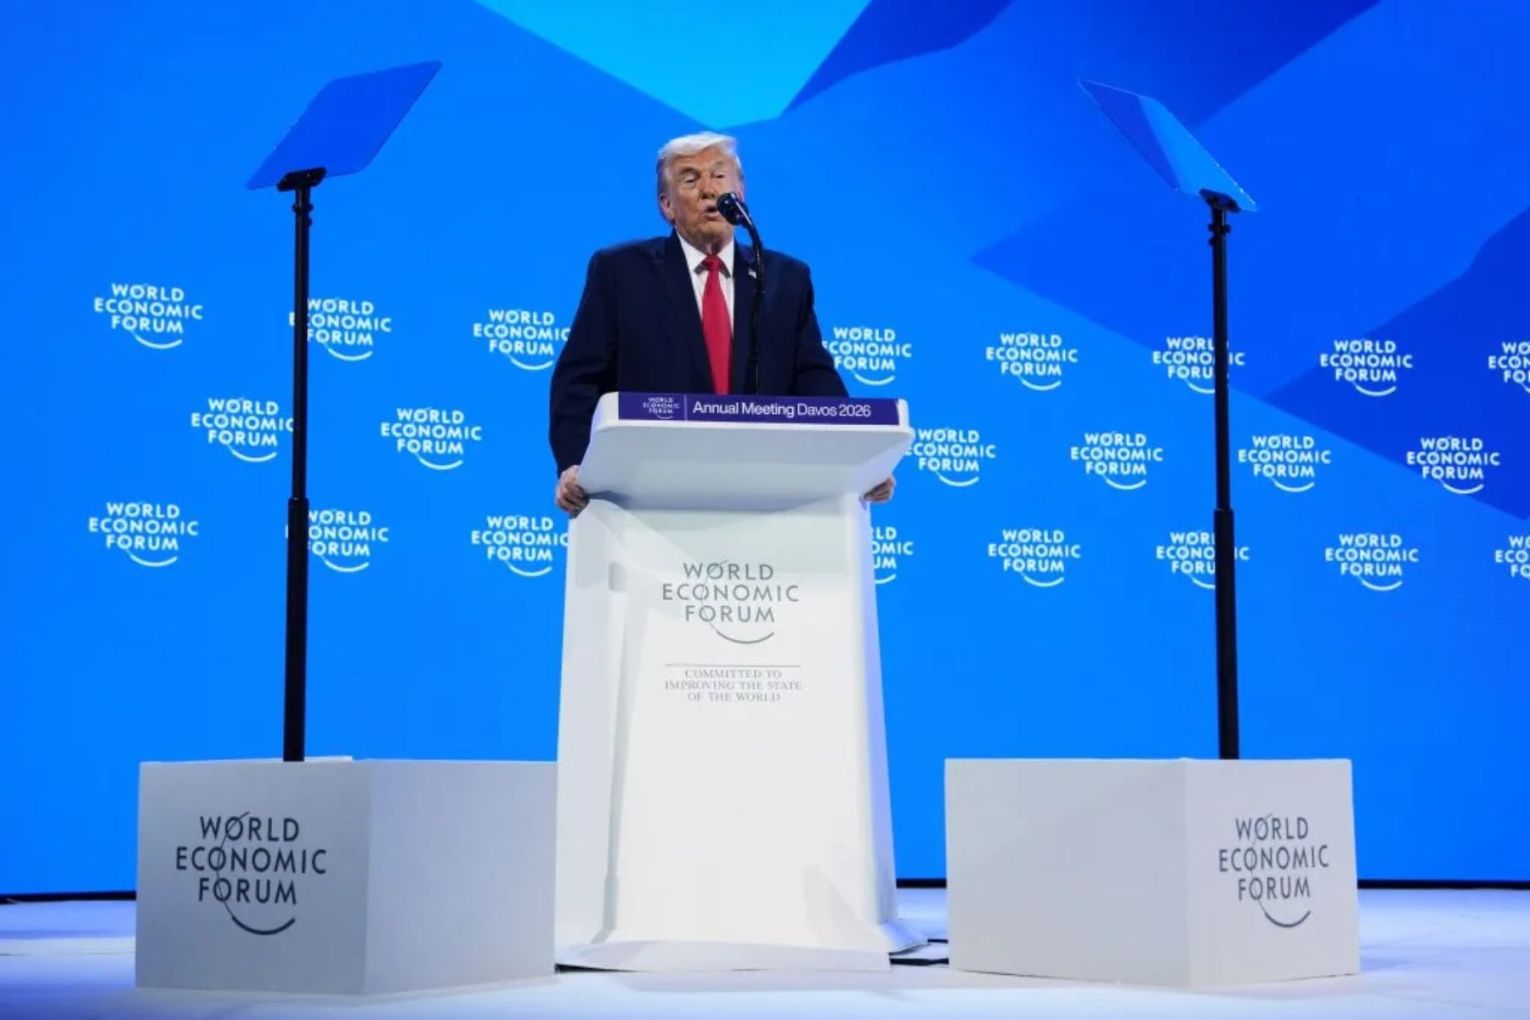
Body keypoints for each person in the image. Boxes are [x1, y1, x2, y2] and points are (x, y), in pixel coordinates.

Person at [548, 131, 895, 513]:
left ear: (740, 191)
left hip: (764, 491)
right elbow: (578, 380)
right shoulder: (621, 272)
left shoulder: (783, 277)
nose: (708, 190)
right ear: (667, 205)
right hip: (650, 492)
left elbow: (814, 378)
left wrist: (860, 464)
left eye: (719, 175)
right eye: (690, 179)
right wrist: (575, 465)